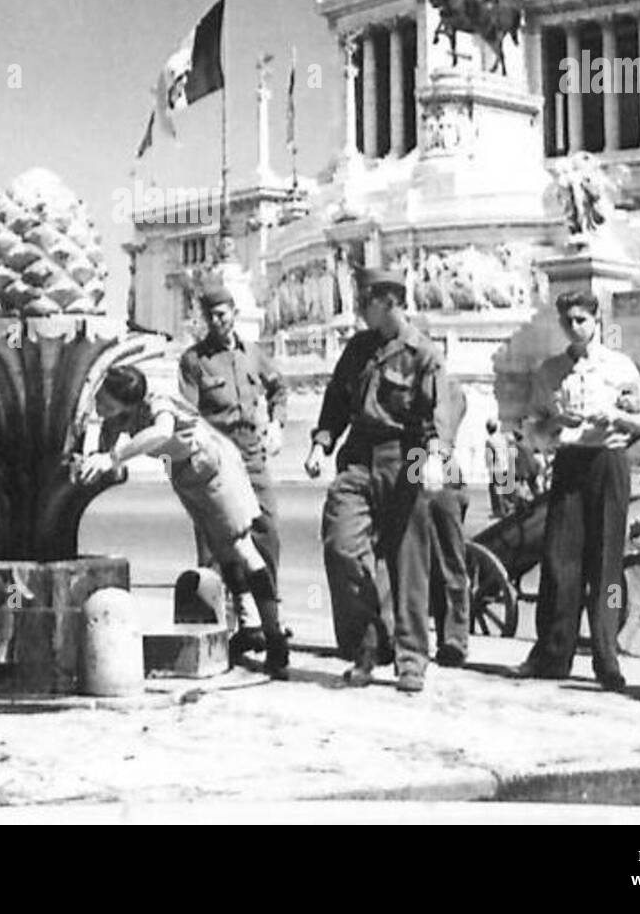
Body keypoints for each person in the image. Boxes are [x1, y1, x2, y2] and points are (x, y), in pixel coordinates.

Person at [73, 365, 289, 679]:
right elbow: (104, 451)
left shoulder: (157, 402)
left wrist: (115, 457)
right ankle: (249, 625)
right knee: (219, 547)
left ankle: (275, 638)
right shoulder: (118, 418)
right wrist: (90, 456)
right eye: (100, 402)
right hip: (187, 475)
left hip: (214, 468)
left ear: (129, 403)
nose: (100, 409)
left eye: (106, 404)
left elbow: (160, 432)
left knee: (241, 546)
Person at [305, 270, 450, 693]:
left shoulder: (422, 352)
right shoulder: (358, 348)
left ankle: (410, 659)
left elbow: (440, 410)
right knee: (341, 546)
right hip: (359, 457)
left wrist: (436, 457)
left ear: (387, 302)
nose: (357, 310)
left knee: (409, 563)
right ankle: (370, 642)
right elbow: (336, 399)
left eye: (364, 302)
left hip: (408, 456)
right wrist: (322, 443)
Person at [517, 291, 640, 692]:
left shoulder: (620, 366)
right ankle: (552, 653)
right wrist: (556, 420)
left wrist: (613, 415)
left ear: (597, 319)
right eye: (567, 321)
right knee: (560, 562)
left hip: (608, 463)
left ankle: (607, 657)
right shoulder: (550, 372)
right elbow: (535, 429)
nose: (574, 327)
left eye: (581, 319)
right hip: (570, 463)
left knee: (606, 567)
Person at [178, 284, 287, 656]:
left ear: (234, 314)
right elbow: (190, 413)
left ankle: (271, 612)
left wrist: (277, 424)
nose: (217, 321)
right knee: (219, 540)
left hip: (252, 452)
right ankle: (233, 622)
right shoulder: (194, 360)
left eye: (222, 314)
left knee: (266, 530)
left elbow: (279, 389)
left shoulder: (253, 354)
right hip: (219, 458)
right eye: (210, 315)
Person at [428, 373, 470, 667]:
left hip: (437, 468)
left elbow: (445, 431)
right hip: (406, 465)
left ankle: (453, 638)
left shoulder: (448, 388)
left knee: (448, 560)